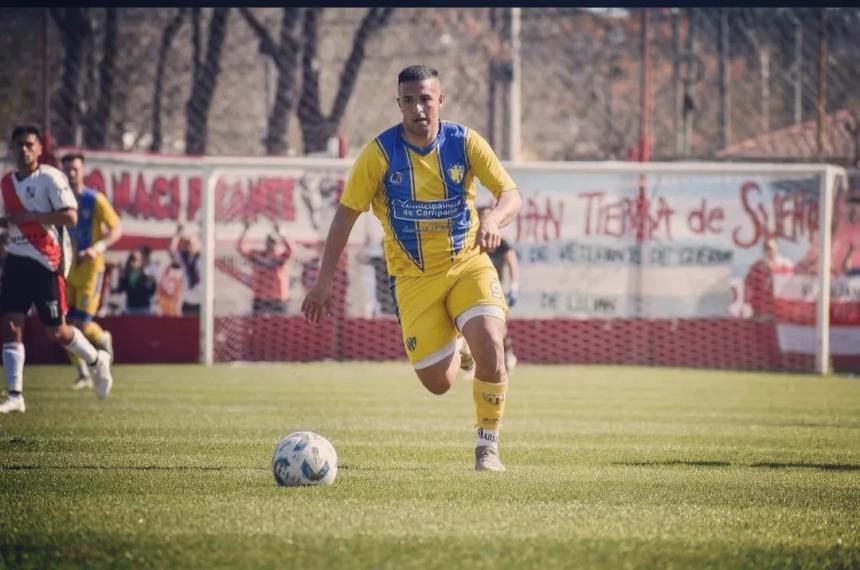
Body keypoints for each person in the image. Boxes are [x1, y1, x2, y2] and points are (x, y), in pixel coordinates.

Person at [302, 65, 522, 472]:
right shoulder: (380, 155)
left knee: (491, 340)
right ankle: (458, 345)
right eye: (409, 100)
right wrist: (323, 282)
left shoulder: (466, 142)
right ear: (399, 103)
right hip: (413, 279)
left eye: (425, 98)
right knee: (439, 384)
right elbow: (345, 217)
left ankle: (487, 447)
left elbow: (510, 194)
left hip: (468, 263)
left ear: (441, 99)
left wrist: (492, 221)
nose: (418, 108)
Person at [0, 125, 113, 413]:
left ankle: (96, 360)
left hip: (47, 262)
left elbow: (71, 217)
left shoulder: (50, 178)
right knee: (11, 325)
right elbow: (7, 220)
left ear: (39, 149)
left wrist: (31, 217)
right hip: (15, 259)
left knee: (58, 332)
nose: (24, 150)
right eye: (19, 145)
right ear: (11, 149)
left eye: (29, 145)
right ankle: (15, 395)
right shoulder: (5, 184)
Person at [61, 152, 123, 390]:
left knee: (81, 325)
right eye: (67, 169)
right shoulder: (59, 200)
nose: (71, 173)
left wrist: (98, 248)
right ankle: (82, 374)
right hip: (66, 270)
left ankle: (102, 337)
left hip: (90, 272)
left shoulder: (94, 199)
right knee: (64, 326)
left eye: (75, 169)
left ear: (83, 170)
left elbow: (116, 228)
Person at [478, 206, 520, 373]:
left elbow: (512, 264)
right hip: (475, 289)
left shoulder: (501, 243)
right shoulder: (472, 241)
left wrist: (514, 287)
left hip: (496, 290)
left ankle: (507, 355)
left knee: (498, 328)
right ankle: (473, 362)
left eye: (487, 217)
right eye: (481, 217)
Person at [236, 219, 293, 315]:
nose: (271, 244)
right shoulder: (257, 255)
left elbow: (291, 249)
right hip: (260, 299)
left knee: (279, 325)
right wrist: (246, 229)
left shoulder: (281, 257)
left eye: (273, 242)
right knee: (257, 326)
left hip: (278, 299)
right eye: (269, 242)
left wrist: (282, 233)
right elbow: (240, 247)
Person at [744, 237, 794, 318]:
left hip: (780, 310)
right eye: (766, 248)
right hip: (761, 311)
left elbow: (789, 285)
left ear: (777, 249)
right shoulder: (757, 266)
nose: (769, 251)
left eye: (771, 248)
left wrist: (772, 269)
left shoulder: (785, 265)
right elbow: (748, 285)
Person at [169, 224, 202, 316]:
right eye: (189, 244)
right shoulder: (184, 258)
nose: (191, 247)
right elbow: (172, 251)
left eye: (194, 244)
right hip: (187, 301)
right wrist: (177, 234)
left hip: (202, 302)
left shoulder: (203, 259)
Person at [114, 247, 157, 315]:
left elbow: (151, 292)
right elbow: (119, 290)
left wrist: (151, 281)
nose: (135, 262)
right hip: (130, 308)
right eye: (133, 260)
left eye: (139, 260)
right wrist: (120, 275)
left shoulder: (147, 276)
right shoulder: (126, 277)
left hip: (144, 309)